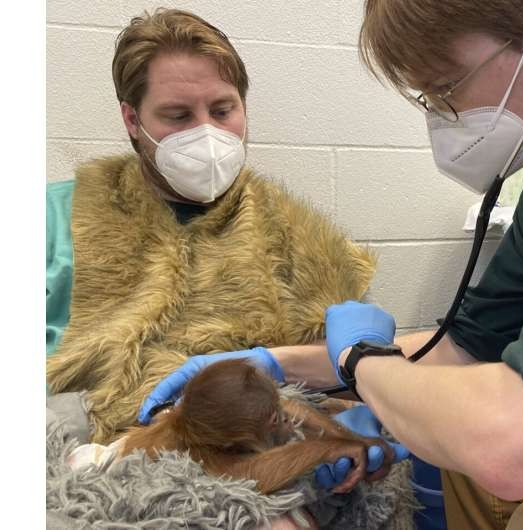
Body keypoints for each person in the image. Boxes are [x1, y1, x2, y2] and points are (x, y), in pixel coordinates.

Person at [145, 1, 523, 527]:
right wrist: (275, 363)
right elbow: (463, 347)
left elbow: (516, 446)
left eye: (447, 87)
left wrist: (361, 362)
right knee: (459, 458)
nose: (439, 117)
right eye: (428, 97)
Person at [45, 7, 391, 460]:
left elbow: (351, 372)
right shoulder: (54, 219)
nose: (207, 133)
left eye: (223, 110)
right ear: (133, 121)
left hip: (237, 453)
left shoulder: (303, 241)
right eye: (177, 115)